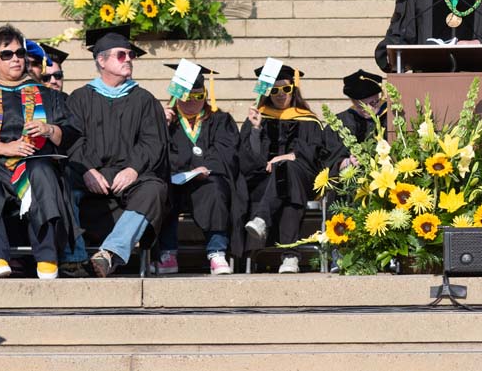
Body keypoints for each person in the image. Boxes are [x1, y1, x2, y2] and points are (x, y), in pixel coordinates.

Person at [0, 25, 80, 279]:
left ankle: (47, 258)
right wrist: (7, 148)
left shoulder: (46, 94)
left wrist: (48, 129)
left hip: (34, 161)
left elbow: (70, 132)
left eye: (19, 53)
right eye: (6, 54)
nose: (15, 58)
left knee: (43, 171)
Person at [66, 26, 168, 278]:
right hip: (89, 182)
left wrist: (133, 169)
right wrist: (87, 170)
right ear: (101, 60)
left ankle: (109, 253)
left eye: (130, 55)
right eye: (121, 55)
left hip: (128, 187)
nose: (129, 59)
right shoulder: (79, 99)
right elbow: (72, 141)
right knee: (60, 185)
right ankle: (74, 257)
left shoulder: (145, 100)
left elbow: (153, 142)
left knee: (155, 188)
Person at [240, 65, 343, 273]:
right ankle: (290, 257)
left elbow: (314, 153)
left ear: (294, 90)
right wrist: (256, 129)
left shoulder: (307, 119)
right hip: (268, 182)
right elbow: (251, 159)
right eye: (274, 90)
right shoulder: (259, 118)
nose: (280, 95)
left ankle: (261, 219)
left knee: (289, 171)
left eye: (285, 89)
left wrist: (288, 157)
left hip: (303, 177)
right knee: (286, 187)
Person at [157, 63, 238, 276]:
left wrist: (205, 168)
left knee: (216, 188)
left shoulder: (220, 120)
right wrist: (161, 127)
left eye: (198, 95)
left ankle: (217, 252)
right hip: (175, 180)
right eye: (186, 95)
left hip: (206, 179)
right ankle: (167, 253)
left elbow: (225, 152)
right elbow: (154, 154)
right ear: (176, 95)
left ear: (206, 94)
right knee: (161, 189)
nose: (192, 101)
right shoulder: (165, 121)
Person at [337, 69, 386, 146]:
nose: (369, 109)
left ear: (379, 97)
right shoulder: (342, 122)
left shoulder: (391, 116)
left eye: (373, 103)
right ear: (353, 102)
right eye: (361, 106)